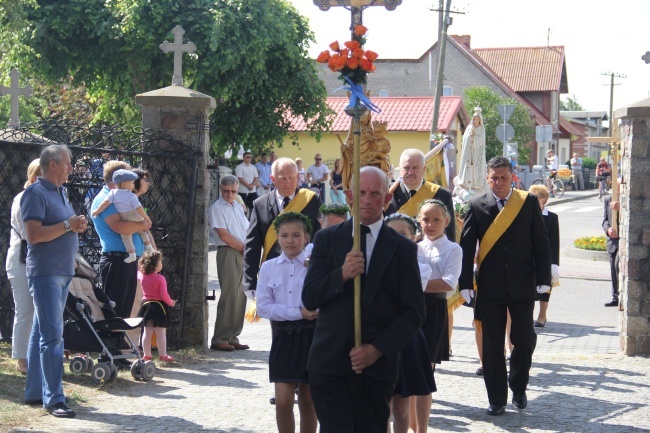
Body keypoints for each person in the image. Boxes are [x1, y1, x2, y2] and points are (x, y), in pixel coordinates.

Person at [302, 166, 426, 433]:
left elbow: (413, 312)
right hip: (330, 362)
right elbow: (310, 297)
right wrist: (342, 275)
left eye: (375, 193)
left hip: (376, 368)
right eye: (361, 193)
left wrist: (377, 349)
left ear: (387, 199)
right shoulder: (326, 239)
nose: (367, 200)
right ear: (348, 196)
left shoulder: (403, 248)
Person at [459, 156, 551, 416]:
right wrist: (465, 283)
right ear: (487, 179)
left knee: (523, 339)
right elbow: (467, 248)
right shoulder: (477, 205)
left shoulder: (528, 202)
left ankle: (519, 387)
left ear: (513, 177)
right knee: (491, 345)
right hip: (489, 287)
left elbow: (541, 243)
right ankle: (496, 398)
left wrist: (544, 279)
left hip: (523, 284)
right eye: (494, 178)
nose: (498, 182)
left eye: (503, 177)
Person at [22, 144, 88, 418]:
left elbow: (64, 227)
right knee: (53, 338)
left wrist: (75, 226)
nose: (71, 167)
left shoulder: (60, 192)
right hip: (46, 273)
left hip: (61, 272)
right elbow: (34, 235)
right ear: (52, 165)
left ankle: (36, 392)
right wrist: (67, 226)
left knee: (42, 332)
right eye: (68, 162)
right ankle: (54, 400)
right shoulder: (35, 193)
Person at [256, 212, 318, 433]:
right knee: (283, 400)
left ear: (306, 237)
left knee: (308, 401)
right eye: (284, 235)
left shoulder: (314, 266)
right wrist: (298, 313)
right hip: (283, 336)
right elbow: (263, 307)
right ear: (277, 237)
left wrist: (308, 313)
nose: (290, 241)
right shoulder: (268, 267)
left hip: (311, 336)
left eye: (296, 235)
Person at [242, 157, 322, 299]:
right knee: (277, 319)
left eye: (291, 177)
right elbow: (252, 245)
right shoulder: (260, 204)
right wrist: (250, 283)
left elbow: (319, 237)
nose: (288, 182)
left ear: (298, 177)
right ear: (273, 179)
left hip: (304, 274)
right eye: (283, 178)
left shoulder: (312, 200)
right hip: (274, 277)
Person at [384, 213, 435, 433]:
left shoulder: (421, 268)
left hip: (405, 337)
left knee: (402, 406)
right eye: (390, 234)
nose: (396, 239)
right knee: (380, 405)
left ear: (414, 237)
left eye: (402, 234)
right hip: (377, 335)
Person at [91, 161, 151, 328]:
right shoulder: (105, 198)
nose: (135, 181)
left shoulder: (120, 198)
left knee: (123, 312)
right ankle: (109, 350)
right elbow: (119, 227)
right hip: (116, 260)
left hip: (126, 260)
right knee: (115, 311)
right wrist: (142, 225)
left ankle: (116, 350)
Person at [7, 159, 41, 374]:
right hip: (21, 259)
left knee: (39, 311)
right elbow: (29, 230)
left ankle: (34, 355)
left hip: (35, 260)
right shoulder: (24, 197)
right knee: (25, 311)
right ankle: (21, 358)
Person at [209, 175, 250, 351]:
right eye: (226, 191)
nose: (229, 194)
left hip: (242, 251)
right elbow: (223, 234)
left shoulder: (238, 207)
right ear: (220, 188)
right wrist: (243, 248)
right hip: (228, 251)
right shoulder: (217, 208)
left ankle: (233, 336)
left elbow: (246, 229)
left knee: (241, 296)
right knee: (229, 295)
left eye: (233, 191)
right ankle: (220, 338)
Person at [385, 148, 456, 242]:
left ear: (424, 169)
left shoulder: (442, 195)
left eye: (415, 168)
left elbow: (449, 234)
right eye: (406, 168)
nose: (410, 172)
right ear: (400, 169)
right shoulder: (388, 196)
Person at [91, 169, 154, 263]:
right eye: (132, 182)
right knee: (140, 231)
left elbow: (105, 203)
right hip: (132, 215)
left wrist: (97, 211)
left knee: (127, 237)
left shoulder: (113, 193)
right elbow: (138, 209)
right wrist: (146, 219)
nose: (134, 185)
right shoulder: (130, 195)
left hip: (125, 216)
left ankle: (132, 253)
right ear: (124, 184)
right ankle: (149, 248)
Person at [528, 185, 560, 327]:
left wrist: (555, 264)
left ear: (543, 200)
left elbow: (554, 241)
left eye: (535, 199)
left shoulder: (551, 218)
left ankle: (542, 315)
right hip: (529, 257)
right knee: (528, 288)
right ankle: (528, 315)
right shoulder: (526, 215)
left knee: (545, 288)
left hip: (545, 258)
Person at [137, 250, 176, 362]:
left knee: (146, 332)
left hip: (146, 306)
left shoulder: (142, 276)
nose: (161, 264)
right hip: (159, 307)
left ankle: (147, 354)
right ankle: (163, 355)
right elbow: (163, 295)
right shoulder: (160, 279)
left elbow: (138, 272)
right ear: (155, 265)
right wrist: (171, 302)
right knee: (160, 332)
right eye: (160, 261)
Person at [453, 107, 488, 201]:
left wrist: (474, 138)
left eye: (477, 119)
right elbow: (465, 140)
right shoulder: (469, 127)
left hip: (477, 154)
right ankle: (466, 185)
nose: (476, 120)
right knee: (467, 169)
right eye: (474, 119)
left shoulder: (481, 129)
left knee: (475, 170)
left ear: (480, 120)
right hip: (468, 154)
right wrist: (470, 137)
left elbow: (480, 141)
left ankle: (474, 186)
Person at [603, 193, 620, 307]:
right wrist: (608, 229)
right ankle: (615, 297)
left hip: (623, 241)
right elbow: (605, 220)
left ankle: (621, 295)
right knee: (613, 269)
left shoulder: (626, 199)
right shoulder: (608, 199)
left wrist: (622, 207)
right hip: (612, 241)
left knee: (618, 266)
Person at [235, 151, 259, 215]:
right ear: (243, 158)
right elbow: (240, 178)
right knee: (243, 210)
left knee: (255, 208)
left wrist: (252, 184)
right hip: (243, 191)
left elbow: (256, 177)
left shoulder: (253, 167)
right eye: (248, 157)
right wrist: (248, 185)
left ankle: (253, 222)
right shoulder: (239, 167)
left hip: (252, 191)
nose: (249, 158)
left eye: (250, 157)